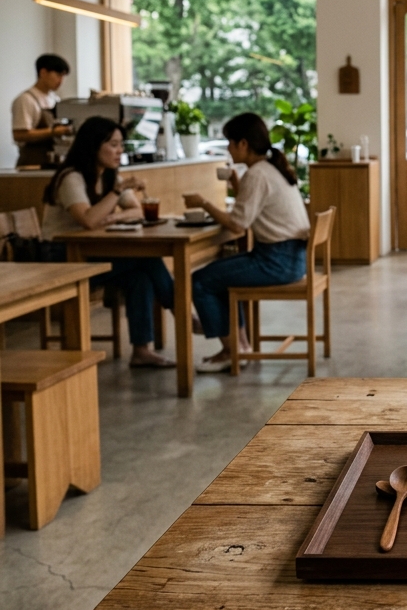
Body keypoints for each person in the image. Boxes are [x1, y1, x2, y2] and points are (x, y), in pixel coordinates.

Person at [40, 116, 175, 368]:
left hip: (92, 254)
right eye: (113, 144)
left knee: (141, 276)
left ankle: (141, 350)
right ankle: (179, 309)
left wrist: (113, 214)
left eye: (121, 145)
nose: (119, 151)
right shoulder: (72, 178)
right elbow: (89, 221)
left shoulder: (110, 175)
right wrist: (115, 195)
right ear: (94, 145)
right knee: (147, 259)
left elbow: (136, 210)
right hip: (61, 258)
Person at [184, 113, 311, 374]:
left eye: (230, 143)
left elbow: (238, 225)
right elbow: (251, 209)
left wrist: (203, 203)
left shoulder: (258, 174)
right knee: (223, 275)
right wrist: (236, 183)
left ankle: (233, 351)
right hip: (291, 258)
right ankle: (238, 346)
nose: (228, 149)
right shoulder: (269, 168)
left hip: (276, 261)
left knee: (200, 281)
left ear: (243, 143)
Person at [12, 54, 72, 168]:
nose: (61, 81)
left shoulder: (55, 99)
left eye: (63, 76)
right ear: (43, 72)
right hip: (31, 164)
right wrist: (55, 132)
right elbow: (19, 134)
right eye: (58, 75)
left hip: (52, 162)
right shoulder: (26, 99)